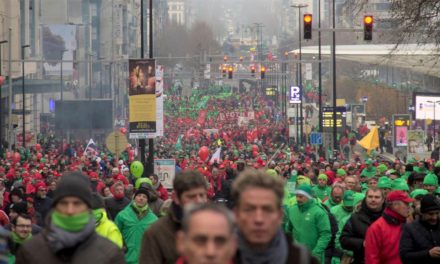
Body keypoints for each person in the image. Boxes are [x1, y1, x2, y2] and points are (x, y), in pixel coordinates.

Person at [15, 171, 125, 263]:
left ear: (87, 207)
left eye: (77, 203)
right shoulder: (31, 251)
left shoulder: (110, 253)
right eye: (64, 203)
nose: (70, 210)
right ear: (56, 206)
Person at [232, 169, 318, 264]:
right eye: (249, 209)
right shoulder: (218, 256)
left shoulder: (301, 259)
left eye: (267, 210)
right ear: (236, 214)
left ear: (280, 215)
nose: (258, 219)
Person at [140, 170, 208, 264]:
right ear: (176, 198)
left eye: (202, 195)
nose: (199, 201)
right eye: (191, 196)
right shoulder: (156, 232)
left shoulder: (216, 227)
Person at [364, 190, 414, 264]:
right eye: (406, 204)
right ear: (395, 205)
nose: (409, 207)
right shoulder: (376, 228)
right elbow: (371, 259)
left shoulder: (408, 222)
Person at [286, 184, 332, 263]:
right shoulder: (292, 210)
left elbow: (325, 235)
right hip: (295, 255)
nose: (297, 199)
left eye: (301, 197)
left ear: (309, 197)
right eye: (296, 196)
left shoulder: (319, 212)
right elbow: (288, 230)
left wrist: (315, 253)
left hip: (313, 257)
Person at [339, 188, 385, 264]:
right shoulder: (355, 218)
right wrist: (362, 243)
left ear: (383, 200)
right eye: (370, 197)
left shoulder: (389, 218)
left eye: (377, 197)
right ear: (366, 198)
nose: (373, 200)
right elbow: (344, 240)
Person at [115, 187, 158, 264]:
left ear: (147, 201)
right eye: (139, 195)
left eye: (144, 197)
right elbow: (115, 236)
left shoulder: (154, 219)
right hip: (126, 259)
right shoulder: (122, 215)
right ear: (134, 198)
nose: (141, 198)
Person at [400, 194, 440, 264]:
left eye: (437, 213)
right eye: (430, 214)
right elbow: (404, 255)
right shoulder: (410, 229)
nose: (434, 217)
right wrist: (428, 254)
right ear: (422, 213)